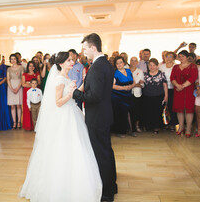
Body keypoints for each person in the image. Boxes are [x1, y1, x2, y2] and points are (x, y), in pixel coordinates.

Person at [19, 52, 102, 202]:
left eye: (72, 60)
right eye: (69, 60)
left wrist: (84, 82)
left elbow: (73, 92)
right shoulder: (59, 80)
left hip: (72, 114)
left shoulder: (67, 77)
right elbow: (58, 102)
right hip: (64, 116)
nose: (72, 62)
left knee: (76, 147)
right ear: (61, 63)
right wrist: (70, 94)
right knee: (65, 148)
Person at [72, 33, 117, 202]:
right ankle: (112, 185)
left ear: (93, 47)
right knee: (106, 150)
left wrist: (75, 94)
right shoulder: (105, 64)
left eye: (84, 49)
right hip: (103, 114)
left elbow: (94, 96)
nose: (83, 52)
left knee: (101, 153)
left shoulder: (97, 67)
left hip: (97, 116)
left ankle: (106, 193)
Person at [171, 50, 198, 137]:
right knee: (179, 109)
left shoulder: (192, 66)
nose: (181, 58)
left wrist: (182, 86)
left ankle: (188, 128)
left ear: (187, 57)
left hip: (188, 90)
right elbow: (172, 78)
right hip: (178, 90)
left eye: (183, 56)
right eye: (179, 56)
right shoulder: (175, 67)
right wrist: (177, 85)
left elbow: (193, 77)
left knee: (188, 110)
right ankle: (181, 127)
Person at [141, 58, 168, 134]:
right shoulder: (145, 74)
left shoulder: (161, 74)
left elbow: (165, 86)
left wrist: (166, 96)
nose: (152, 67)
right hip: (147, 96)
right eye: (150, 65)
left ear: (157, 66)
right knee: (148, 111)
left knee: (157, 112)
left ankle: (156, 127)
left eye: (154, 65)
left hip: (158, 95)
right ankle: (149, 126)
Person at [111, 56, 134, 137]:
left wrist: (131, 86)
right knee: (120, 114)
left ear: (124, 63)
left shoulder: (128, 70)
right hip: (118, 96)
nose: (119, 64)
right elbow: (112, 86)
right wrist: (123, 88)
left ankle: (131, 130)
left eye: (121, 62)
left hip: (128, 95)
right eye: (117, 63)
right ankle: (120, 131)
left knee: (130, 112)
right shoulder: (115, 73)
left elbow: (133, 82)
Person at [159, 51, 178, 130]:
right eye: (167, 57)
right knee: (164, 107)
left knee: (172, 106)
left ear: (173, 58)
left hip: (173, 89)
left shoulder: (176, 66)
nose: (168, 58)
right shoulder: (161, 66)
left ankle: (172, 124)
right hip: (163, 89)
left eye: (170, 57)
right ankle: (164, 123)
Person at [22, 61, 41, 131]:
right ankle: (28, 126)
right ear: (28, 67)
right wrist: (33, 84)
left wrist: (29, 83)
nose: (31, 67)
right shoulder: (24, 74)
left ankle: (35, 126)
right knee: (27, 109)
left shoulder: (37, 74)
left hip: (36, 93)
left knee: (36, 109)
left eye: (33, 66)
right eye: (30, 66)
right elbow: (23, 84)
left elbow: (39, 82)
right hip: (26, 93)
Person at [7, 53, 24, 129]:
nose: (13, 60)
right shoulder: (9, 69)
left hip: (19, 86)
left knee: (18, 105)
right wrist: (11, 88)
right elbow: (8, 79)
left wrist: (17, 87)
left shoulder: (21, 68)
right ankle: (14, 122)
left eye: (14, 59)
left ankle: (19, 122)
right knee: (12, 106)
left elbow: (22, 78)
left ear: (17, 59)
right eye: (11, 59)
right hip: (11, 87)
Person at [129, 57, 144, 133]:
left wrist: (132, 85)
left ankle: (136, 126)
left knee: (137, 111)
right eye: (132, 60)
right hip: (128, 93)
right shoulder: (126, 71)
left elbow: (142, 84)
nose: (133, 62)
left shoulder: (140, 71)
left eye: (135, 61)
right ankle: (130, 127)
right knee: (129, 111)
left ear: (137, 62)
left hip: (137, 94)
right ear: (130, 61)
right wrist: (136, 84)